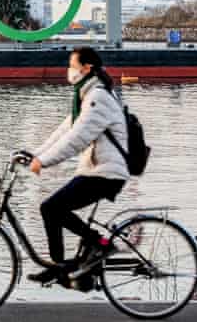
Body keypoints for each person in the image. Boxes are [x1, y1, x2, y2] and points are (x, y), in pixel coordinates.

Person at [27, 46, 129, 284]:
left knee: (51, 208)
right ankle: (65, 265)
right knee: (53, 209)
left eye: (72, 65)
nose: (69, 70)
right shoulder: (88, 95)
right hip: (96, 170)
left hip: (106, 173)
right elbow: (66, 129)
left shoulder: (97, 98)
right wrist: (35, 154)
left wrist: (44, 161)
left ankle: (95, 247)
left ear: (87, 68)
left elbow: (77, 138)